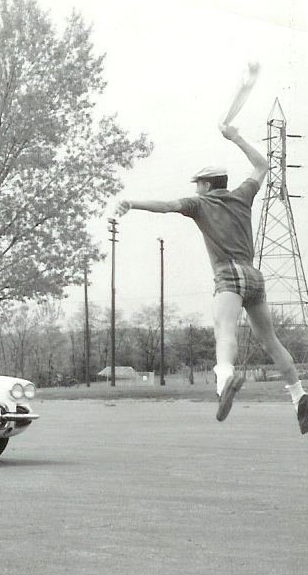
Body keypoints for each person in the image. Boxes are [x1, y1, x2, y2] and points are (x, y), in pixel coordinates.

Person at [117, 122, 308, 433]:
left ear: (206, 185)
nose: (195, 189)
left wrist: (133, 203)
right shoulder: (242, 195)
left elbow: (166, 206)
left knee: (224, 329)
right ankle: (299, 395)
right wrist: (236, 137)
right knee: (270, 340)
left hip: (229, 274)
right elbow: (262, 165)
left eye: (197, 184)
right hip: (253, 275)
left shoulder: (199, 204)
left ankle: (223, 382)